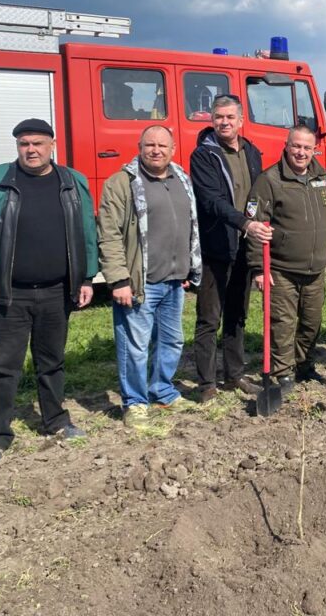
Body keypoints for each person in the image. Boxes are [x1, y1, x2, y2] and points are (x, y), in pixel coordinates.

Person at [0, 118, 97, 463]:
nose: (31, 150)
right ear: (17, 146)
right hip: (8, 294)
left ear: (52, 145)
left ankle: (55, 420)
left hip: (56, 292)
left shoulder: (72, 182)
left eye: (37, 143)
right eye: (23, 144)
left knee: (52, 363)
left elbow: (87, 233)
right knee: (3, 367)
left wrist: (86, 278)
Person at [98, 125, 202, 428]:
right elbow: (109, 234)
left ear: (172, 150)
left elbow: (189, 226)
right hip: (140, 281)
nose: (156, 150)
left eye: (162, 146)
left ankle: (163, 391)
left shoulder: (181, 179)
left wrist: (186, 266)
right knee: (135, 346)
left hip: (174, 280)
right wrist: (118, 280)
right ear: (139, 147)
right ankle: (134, 402)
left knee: (171, 342)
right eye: (150, 145)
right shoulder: (122, 183)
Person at [245, 125, 326, 392]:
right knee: (282, 324)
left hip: (315, 269)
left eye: (307, 147)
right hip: (281, 269)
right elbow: (254, 224)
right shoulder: (269, 180)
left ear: (314, 149)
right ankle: (283, 373)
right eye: (296, 146)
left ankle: (303, 365)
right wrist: (259, 267)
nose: (301, 153)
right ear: (287, 145)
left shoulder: (321, 178)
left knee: (311, 323)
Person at [190, 95, 273, 402]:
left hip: (244, 246)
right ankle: (206, 384)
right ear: (212, 120)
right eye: (218, 117)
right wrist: (244, 223)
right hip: (217, 246)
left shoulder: (251, 151)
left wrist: (257, 221)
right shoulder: (204, 155)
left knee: (237, 314)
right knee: (209, 317)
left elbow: (257, 194)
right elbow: (212, 201)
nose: (223, 122)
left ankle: (234, 375)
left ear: (240, 121)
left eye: (229, 117)